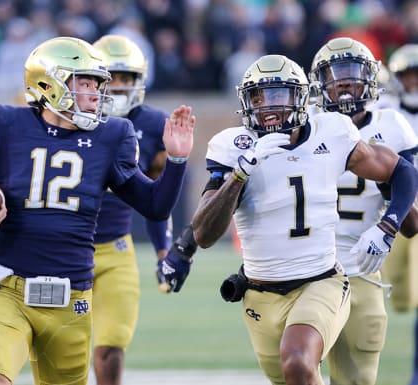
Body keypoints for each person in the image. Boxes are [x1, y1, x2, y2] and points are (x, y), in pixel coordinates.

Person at [0, 36, 194, 385]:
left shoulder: (113, 134)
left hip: (71, 300)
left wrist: (176, 159)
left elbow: (155, 207)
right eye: (85, 83)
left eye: (97, 85)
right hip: (7, 290)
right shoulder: (4, 123)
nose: (98, 95)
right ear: (48, 83)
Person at [158, 54, 418, 385]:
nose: (268, 106)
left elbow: (402, 171)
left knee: (298, 361)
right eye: (258, 97)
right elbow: (205, 233)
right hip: (259, 292)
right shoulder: (234, 146)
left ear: (300, 98)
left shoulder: (332, 132)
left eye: (279, 95)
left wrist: (386, 226)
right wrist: (240, 174)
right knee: (294, 376)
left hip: (321, 280)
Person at [310, 37, 418, 385]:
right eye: (334, 74)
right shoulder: (304, 124)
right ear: (318, 82)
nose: (344, 82)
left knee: (358, 380)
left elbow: (413, 222)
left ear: (371, 78)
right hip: (305, 269)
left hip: (362, 266)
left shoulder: (391, 124)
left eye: (353, 73)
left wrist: (388, 220)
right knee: (294, 369)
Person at [90, 34, 172, 385]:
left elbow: (156, 201)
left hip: (115, 247)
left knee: (112, 343)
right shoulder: (69, 117)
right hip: (61, 247)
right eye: (112, 77)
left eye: (127, 79)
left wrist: (164, 251)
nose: (119, 87)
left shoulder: (154, 125)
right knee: (65, 347)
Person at [388, 43, 418, 385]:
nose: (412, 82)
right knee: (399, 299)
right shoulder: (385, 111)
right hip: (394, 206)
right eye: (407, 75)